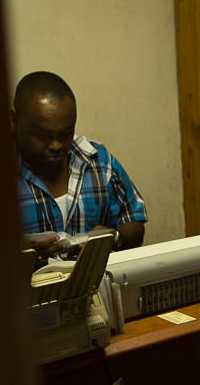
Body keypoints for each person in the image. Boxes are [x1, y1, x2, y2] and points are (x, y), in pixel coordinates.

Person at [12, 71, 147, 258]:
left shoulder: (97, 161)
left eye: (65, 133)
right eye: (43, 136)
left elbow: (134, 223)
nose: (56, 145)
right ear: (14, 121)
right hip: (26, 286)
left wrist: (114, 237)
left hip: (93, 285)